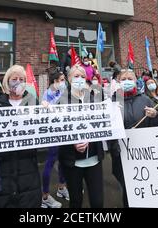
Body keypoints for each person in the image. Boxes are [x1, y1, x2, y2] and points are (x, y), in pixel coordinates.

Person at [0, 65, 41, 208]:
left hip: (27, 169)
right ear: (7, 81)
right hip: (0, 170)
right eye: (14, 79)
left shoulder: (33, 103)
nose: (18, 82)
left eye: (22, 79)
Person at [111, 69, 158, 207]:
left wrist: (155, 115)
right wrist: (115, 149)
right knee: (128, 190)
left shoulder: (145, 99)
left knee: (146, 188)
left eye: (130, 78)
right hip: (122, 155)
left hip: (144, 155)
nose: (127, 81)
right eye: (124, 79)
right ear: (119, 82)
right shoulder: (112, 101)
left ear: (135, 81)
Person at [57, 65, 104, 208]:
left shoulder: (95, 98)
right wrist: (73, 143)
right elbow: (58, 132)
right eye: (76, 76)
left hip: (94, 159)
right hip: (72, 162)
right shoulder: (62, 101)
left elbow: (103, 124)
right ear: (69, 79)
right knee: (76, 201)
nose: (80, 79)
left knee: (98, 202)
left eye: (83, 77)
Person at [40, 72, 70, 208]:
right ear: (54, 81)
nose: (64, 82)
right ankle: (44, 195)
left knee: (63, 160)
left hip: (65, 131)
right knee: (50, 162)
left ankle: (62, 188)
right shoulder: (47, 95)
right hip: (54, 133)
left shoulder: (63, 93)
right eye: (62, 80)